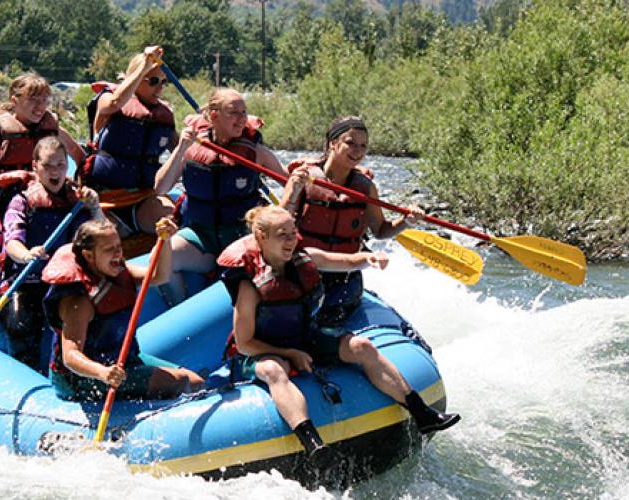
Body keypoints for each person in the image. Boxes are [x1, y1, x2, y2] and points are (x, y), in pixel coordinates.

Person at [219, 206, 459, 456]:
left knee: (362, 346)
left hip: (305, 337)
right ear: (261, 236)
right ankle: (313, 444)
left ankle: (422, 414)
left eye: (293, 233)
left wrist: (368, 259)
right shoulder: (249, 287)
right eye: (282, 235)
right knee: (273, 371)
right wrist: (289, 354)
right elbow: (244, 343)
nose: (291, 241)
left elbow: (345, 261)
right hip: (262, 349)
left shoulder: (306, 258)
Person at [282, 116, 424, 325]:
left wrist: (406, 221)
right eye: (350, 143)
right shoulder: (303, 178)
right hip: (304, 269)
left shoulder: (365, 187)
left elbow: (380, 231)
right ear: (333, 143)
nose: (357, 151)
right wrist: (294, 190)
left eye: (363, 146)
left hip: (345, 276)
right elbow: (278, 223)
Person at [41, 219, 204, 401]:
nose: (118, 253)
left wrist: (164, 241)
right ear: (88, 256)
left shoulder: (119, 273)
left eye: (119, 246)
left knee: (195, 382)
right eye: (109, 249)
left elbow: (159, 276)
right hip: (80, 379)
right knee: (181, 382)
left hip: (122, 361)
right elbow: (70, 356)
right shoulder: (79, 302)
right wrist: (103, 372)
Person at [154, 88, 288, 302]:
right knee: (163, 256)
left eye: (244, 113)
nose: (241, 119)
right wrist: (180, 148)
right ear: (214, 115)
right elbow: (160, 188)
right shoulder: (193, 146)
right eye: (234, 113)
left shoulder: (255, 151)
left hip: (241, 236)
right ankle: (180, 311)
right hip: (201, 235)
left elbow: (287, 182)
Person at [0, 137, 104, 369]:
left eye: (60, 165)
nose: (55, 172)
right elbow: (12, 242)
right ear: (35, 166)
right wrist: (27, 255)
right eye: (47, 166)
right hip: (26, 281)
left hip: (63, 285)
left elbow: (104, 238)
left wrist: (95, 208)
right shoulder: (22, 202)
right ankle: (25, 370)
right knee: (20, 325)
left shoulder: (78, 202)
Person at [0, 74, 87, 268]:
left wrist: (82, 188)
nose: (40, 106)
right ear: (15, 100)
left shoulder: (50, 129)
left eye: (44, 100)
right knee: (33, 232)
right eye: (33, 100)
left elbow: (80, 157)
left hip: (39, 202)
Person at [83, 45, 176, 237]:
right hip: (105, 197)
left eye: (163, 82)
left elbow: (184, 149)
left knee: (172, 221)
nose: (160, 88)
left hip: (143, 198)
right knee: (106, 237)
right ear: (135, 76)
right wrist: (144, 66)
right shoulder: (108, 98)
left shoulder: (163, 115)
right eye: (153, 81)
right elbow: (115, 104)